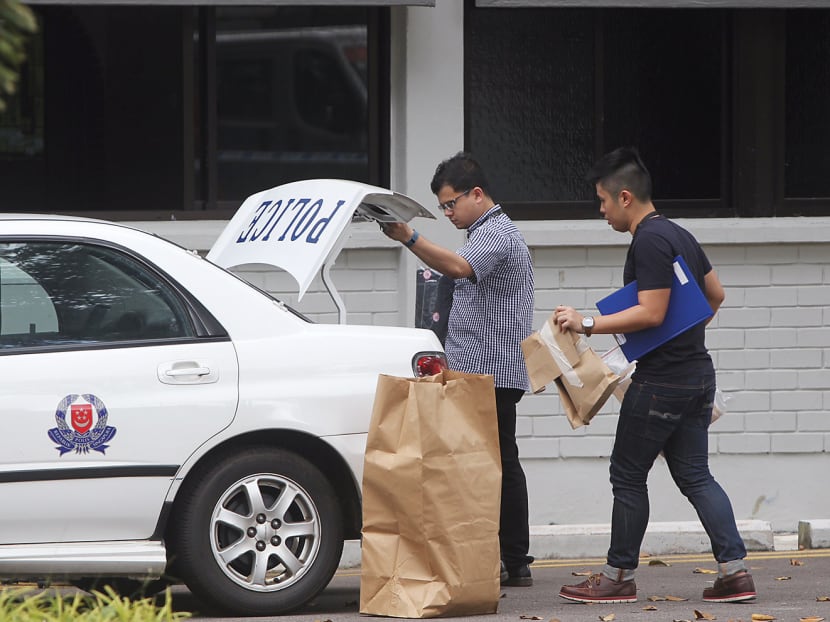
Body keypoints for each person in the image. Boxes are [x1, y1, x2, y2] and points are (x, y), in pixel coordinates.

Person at [555, 147, 755, 604]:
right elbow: (715, 295)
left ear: (625, 197)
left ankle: (617, 577)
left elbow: (651, 311)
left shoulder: (647, 241)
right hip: (697, 373)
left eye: (603, 201)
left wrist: (586, 323)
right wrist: (680, 338)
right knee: (696, 475)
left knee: (626, 474)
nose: (601, 210)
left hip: (661, 382)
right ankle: (735, 572)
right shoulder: (680, 234)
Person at [382, 151, 535, 586]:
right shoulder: (480, 231)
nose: (447, 213)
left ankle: (514, 559)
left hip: (493, 371)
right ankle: (505, 556)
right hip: (479, 368)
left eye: (451, 204)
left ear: (478, 194)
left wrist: (409, 238)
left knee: (498, 462)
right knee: (488, 462)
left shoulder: (497, 233)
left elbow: (459, 267)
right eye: (443, 206)